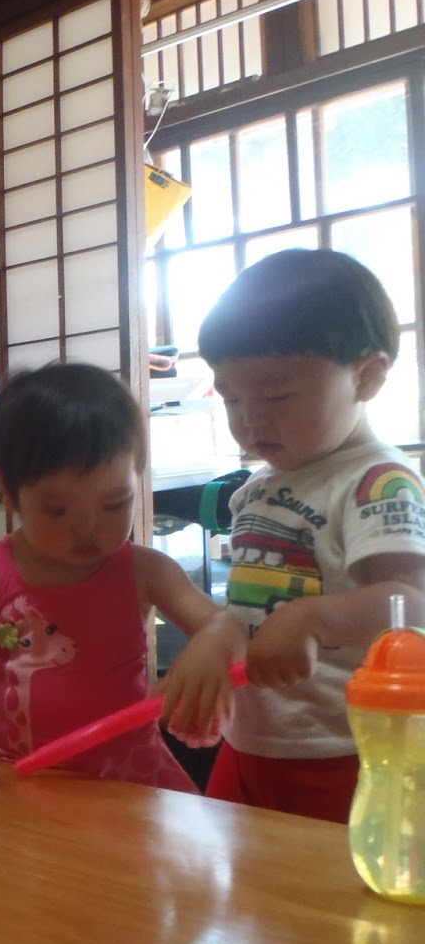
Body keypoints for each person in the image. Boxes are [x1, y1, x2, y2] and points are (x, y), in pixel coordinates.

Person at [160, 249, 425, 821]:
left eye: (275, 395)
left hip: (341, 751)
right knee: (239, 895)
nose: (250, 418)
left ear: (367, 375)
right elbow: (251, 604)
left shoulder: (378, 482)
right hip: (251, 741)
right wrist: (218, 634)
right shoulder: (256, 489)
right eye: (232, 398)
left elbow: (412, 601)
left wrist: (313, 619)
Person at [0, 361, 219, 789]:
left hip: (129, 774)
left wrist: (205, 650)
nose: (89, 529)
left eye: (115, 504)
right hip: (22, 771)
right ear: (9, 490)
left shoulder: (145, 568)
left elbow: (220, 623)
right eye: (58, 510)